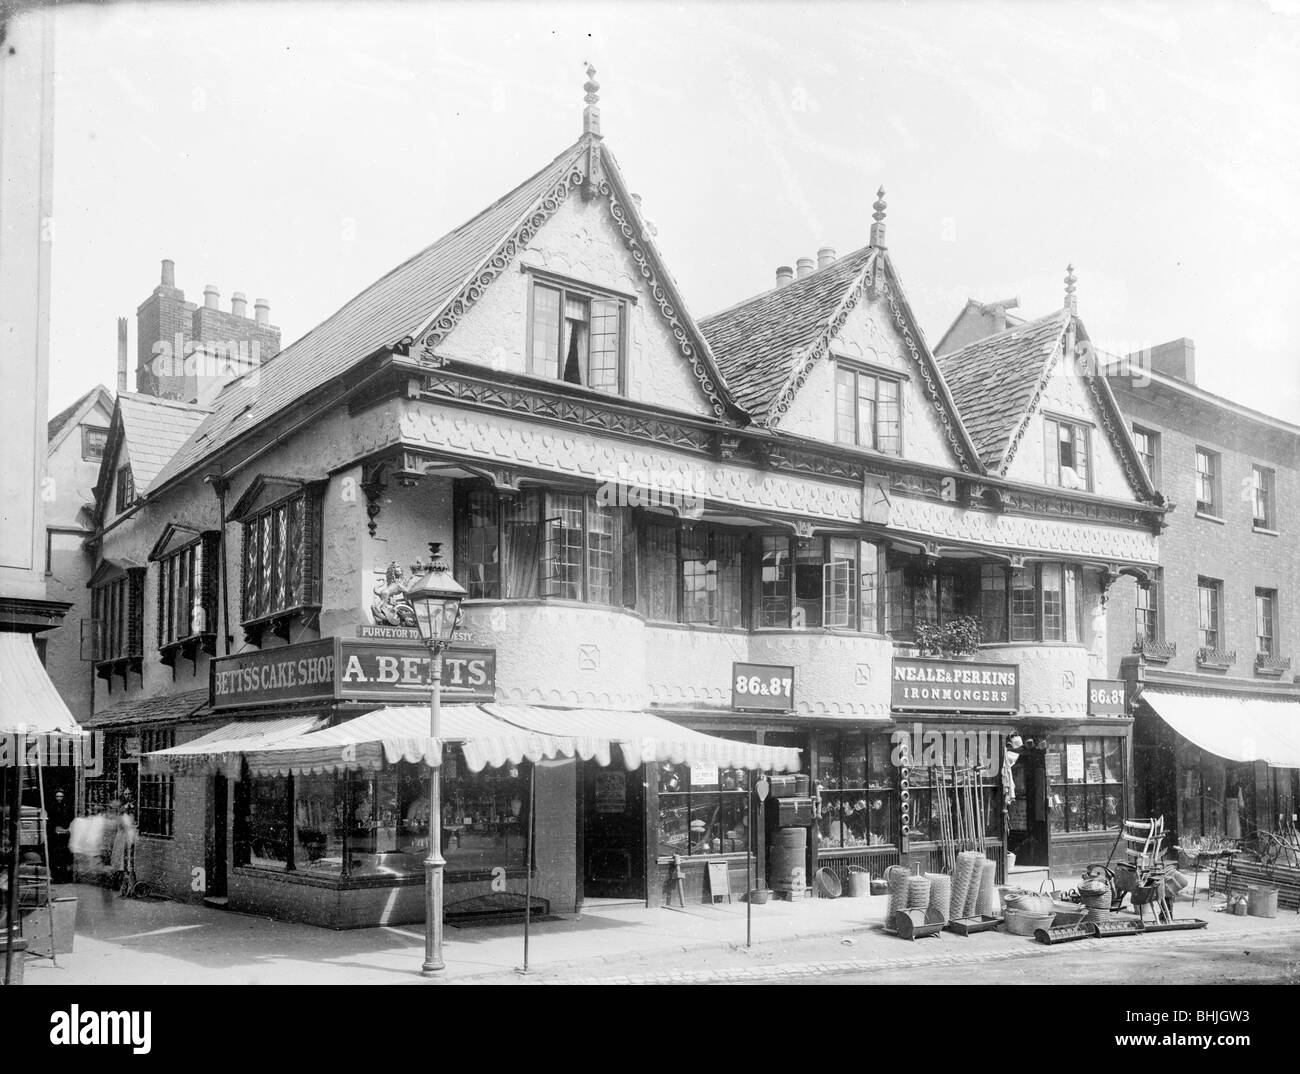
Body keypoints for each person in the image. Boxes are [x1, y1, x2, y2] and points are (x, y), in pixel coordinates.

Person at [46, 789, 74, 882]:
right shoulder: (51, 807)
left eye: (61, 796)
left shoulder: (67, 807)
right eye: (57, 796)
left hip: (64, 834)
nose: (59, 798)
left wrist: (65, 828)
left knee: (64, 856)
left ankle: (64, 877)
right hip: (54, 835)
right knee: (55, 856)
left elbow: (69, 818)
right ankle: (56, 877)